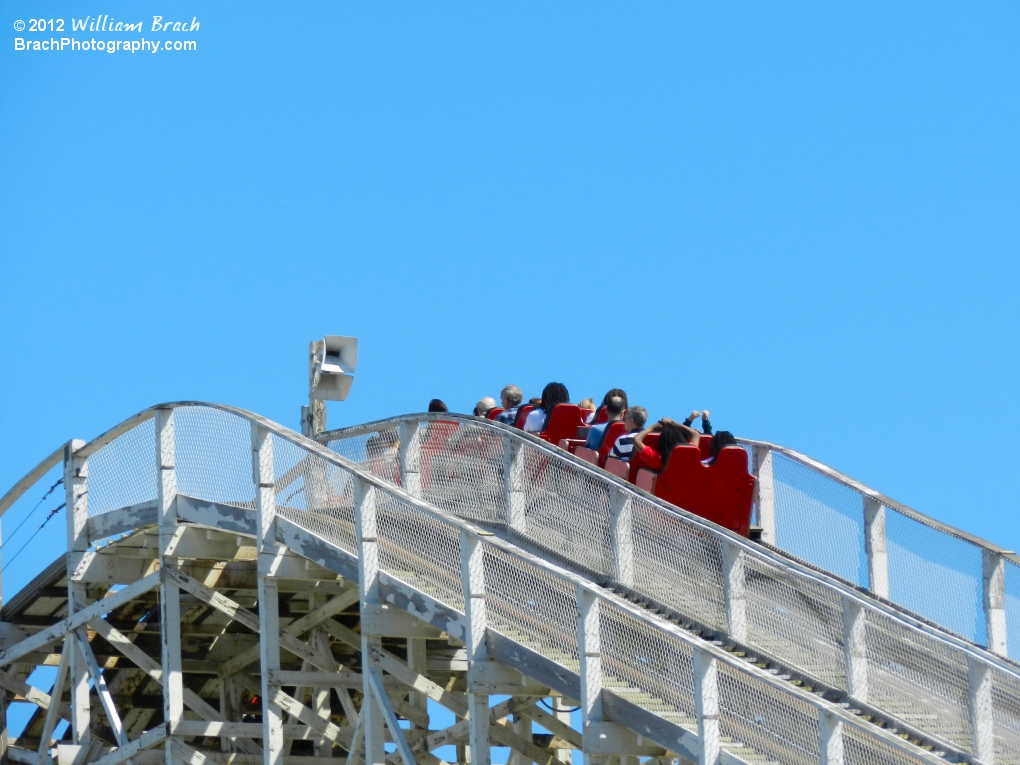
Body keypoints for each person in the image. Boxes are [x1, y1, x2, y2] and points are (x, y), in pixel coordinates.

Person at [631, 418, 701, 474]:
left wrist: (652, 427)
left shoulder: (658, 460)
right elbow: (695, 434)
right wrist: (672, 423)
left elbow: (635, 440)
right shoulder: (689, 455)